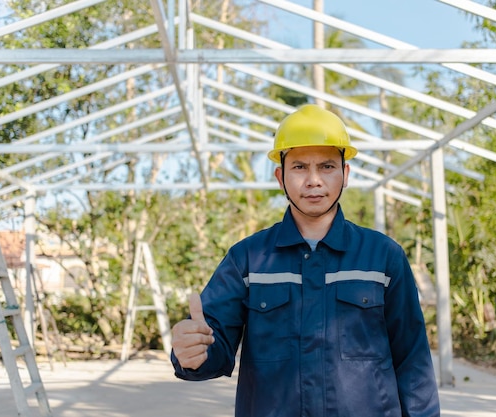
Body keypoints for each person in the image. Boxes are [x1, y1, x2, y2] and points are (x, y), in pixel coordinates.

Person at [170, 104, 441, 417]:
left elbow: (413, 361)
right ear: (280, 176)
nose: (314, 180)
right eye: (299, 167)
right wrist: (194, 354)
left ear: (346, 173)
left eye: (327, 166)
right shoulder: (247, 258)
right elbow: (213, 344)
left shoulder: (383, 257)